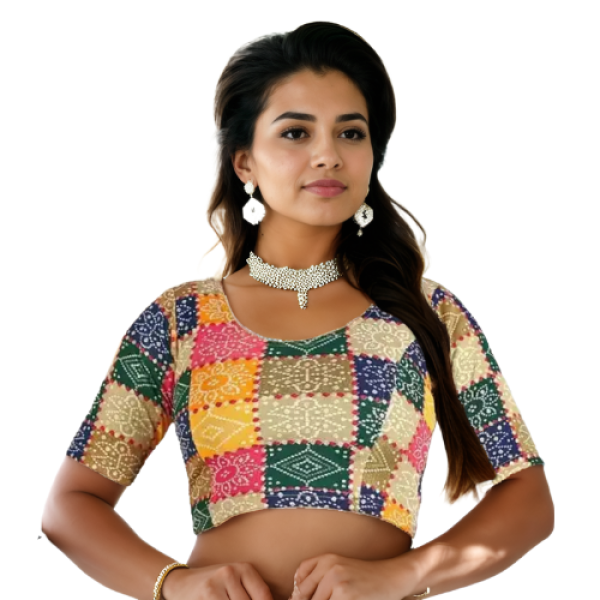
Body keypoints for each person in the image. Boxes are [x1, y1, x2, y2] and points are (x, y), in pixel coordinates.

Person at [41, 21, 553, 600]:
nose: (328, 155)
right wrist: (176, 584)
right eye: (295, 133)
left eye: (351, 133)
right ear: (244, 163)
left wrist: (404, 574)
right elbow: (70, 505)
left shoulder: (426, 313)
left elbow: (529, 500)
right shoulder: (182, 321)